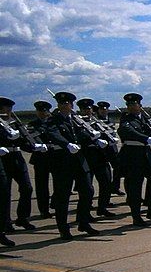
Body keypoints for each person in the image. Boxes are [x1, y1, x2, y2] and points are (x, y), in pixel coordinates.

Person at [43, 91, 102, 239]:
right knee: (63, 196)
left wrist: (94, 139)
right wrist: (66, 144)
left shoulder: (76, 119)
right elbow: (53, 134)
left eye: (67, 103)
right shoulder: (53, 120)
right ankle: (63, 228)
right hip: (62, 161)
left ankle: (83, 222)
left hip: (79, 160)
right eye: (61, 103)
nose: (64, 105)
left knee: (87, 191)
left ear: (71, 104)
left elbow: (82, 134)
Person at [117, 93, 151, 226]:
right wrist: (146, 138)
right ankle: (136, 216)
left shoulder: (146, 119)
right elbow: (128, 132)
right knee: (134, 188)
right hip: (133, 156)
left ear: (140, 105)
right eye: (129, 104)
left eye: (134, 104)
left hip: (147, 156)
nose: (132, 106)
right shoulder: (126, 119)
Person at [0, 97, 44, 232]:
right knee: (4, 192)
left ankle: (22, 218)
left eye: (9, 108)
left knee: (27, 188)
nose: (8, 110)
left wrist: (33, 147)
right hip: (3, 159)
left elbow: (23, 140)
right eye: (5, 108)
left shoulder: (15, 123)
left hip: (17, 157)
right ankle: (5, 222)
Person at [76, 98, 115, 218]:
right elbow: (78, 137)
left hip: (100, 156)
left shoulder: (96, 121)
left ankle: (102, 208)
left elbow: (106, 132)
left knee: (106, 183)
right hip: (86, 156)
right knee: (87, 188)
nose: (87, 110)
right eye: (84, 109)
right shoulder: (76, 122)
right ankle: (84, 213)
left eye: (89, 108)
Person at [27, 100, 53, 218]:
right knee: (42, 185)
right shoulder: (33, 124)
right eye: (40, 111)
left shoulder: (53, 122)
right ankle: (44, 210)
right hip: (40, 158)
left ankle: (55, 203)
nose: (42, 113)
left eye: (45, 111)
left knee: (61, 183)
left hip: (54, 157)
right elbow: (32, 137)